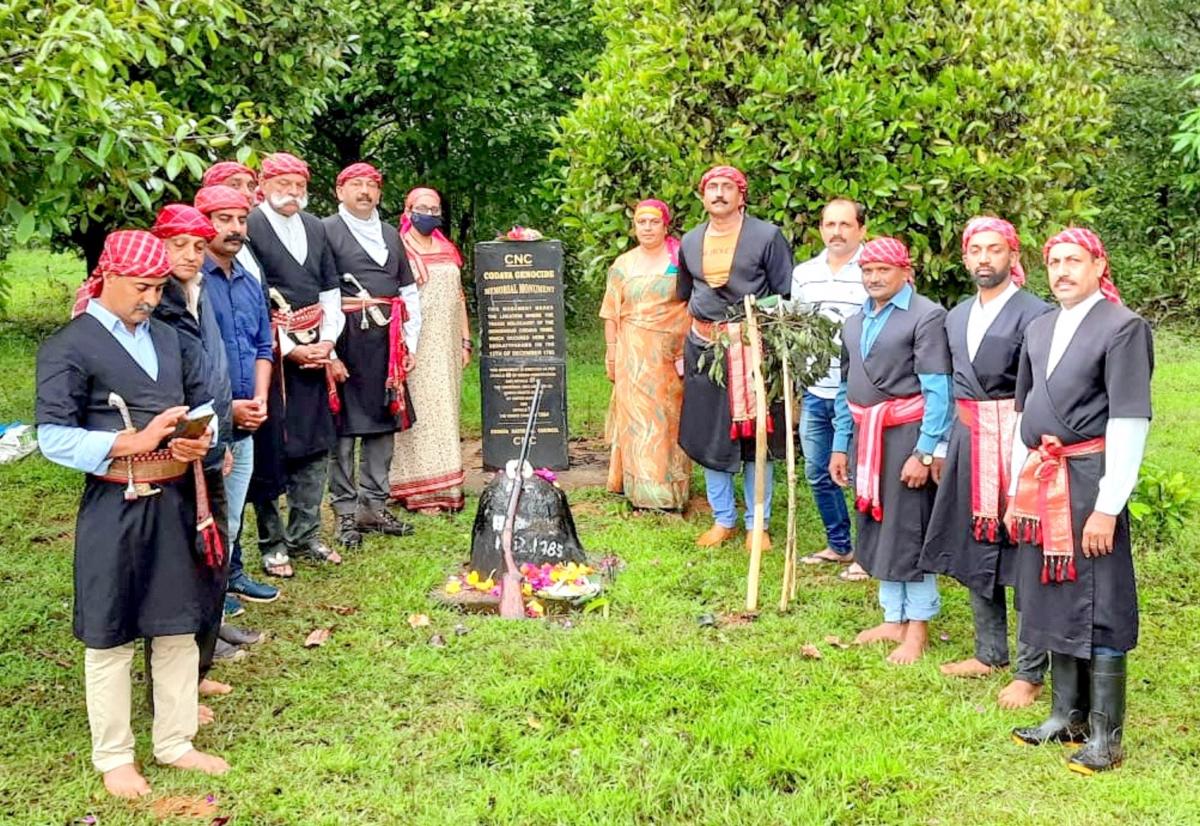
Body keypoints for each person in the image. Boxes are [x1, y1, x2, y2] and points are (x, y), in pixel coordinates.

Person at [37, 230, 229, 798]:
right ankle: (115, 755)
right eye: (141, 286)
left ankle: (176, 741)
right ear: (108, 278)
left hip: (175, 500)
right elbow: (51, 437)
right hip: (114, 504)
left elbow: (203, 407)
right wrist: (133, 441)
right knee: (111, 632)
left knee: (177, 625)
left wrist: (199, 438)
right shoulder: (70, 346)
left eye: (157, 287)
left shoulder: (170, 340)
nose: (150, 297)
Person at [1008, 228, 1153, 775]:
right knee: (1052, 589)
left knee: (1102, 599)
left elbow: (1129, 420)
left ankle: (1105, 737)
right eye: (1054, 262)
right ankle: (1064, 714)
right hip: (1044, 475)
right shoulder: (1040, 327)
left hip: (1091, 478)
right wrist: (1017, 485)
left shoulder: (1123, 328)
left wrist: (1108, 505)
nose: (1063, 270)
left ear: (1098, 265)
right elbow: (1026, 414)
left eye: (1074, 260)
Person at [919, 217, 1051, 707]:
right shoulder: (955, 316)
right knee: (977, 543)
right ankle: (988, 650)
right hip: (970, 440)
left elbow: (1043, 388)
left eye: (994, 250)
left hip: (1021, 439)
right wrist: (936, 446)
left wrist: (1034, 453)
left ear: (1013, 257)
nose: (983, 259)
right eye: (975, 250)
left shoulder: (1036, 314)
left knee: (1028, 553)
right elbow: (950, 384)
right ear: (965, 257)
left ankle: (1030, 668)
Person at [829, 237, 953, 665]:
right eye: (867, 270)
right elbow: (847, 389)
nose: (874, 278)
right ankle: (892, 617)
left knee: (910, 527)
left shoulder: (926, 316)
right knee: (877, 521)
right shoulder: (852, 322)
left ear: (905, 272)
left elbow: (938, 388)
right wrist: (841, 445)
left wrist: (924, 452)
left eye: (883, 269)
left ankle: (917, 628)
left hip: (906, 433)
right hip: (868, 436)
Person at [676, 165, 794, 550]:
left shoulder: (767, 236)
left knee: (757, 436)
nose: (720, 193)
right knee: (710, 434)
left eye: (728, 187)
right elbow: (687, 297)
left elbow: (786, 294)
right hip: (704, 348)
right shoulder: (691, 241)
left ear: (741, 196)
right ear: (702, 197)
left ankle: (756, 524)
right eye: (712, 187)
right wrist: (684, 348)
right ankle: (722, 518)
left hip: (753, 349)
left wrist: (758, 327)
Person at [246, 151, 343, 575]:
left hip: (315, 351)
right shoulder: (248, 227)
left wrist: (327, 342)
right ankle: (272, 543)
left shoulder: (316, 227)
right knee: (271, 449)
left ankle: (306, 536)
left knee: (316, 446)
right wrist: (288, 348)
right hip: (270, 357)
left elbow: (330, 290)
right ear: (263, 186)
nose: (292, 193)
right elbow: (251, 300)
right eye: (283, 184)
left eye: (299, 185)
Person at [323, 162, 420, 545]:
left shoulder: (391, 234)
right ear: (339, 190)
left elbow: (408, 292)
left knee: (384, 423)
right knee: (343, 431)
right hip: (345, 341)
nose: (364, 191)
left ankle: (374, 506)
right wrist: (328, 349)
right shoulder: (325, 231)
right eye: (356, 184)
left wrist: (408, 344)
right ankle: (345, 512)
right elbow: (320, 293)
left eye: (371, 185)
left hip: (386, 345)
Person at [194, 185, 280, 605]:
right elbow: (189, 362)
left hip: (249, 413)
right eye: (223, 219)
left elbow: (264, 345)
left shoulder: (247, 280)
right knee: (205, 506)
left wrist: (260, 400)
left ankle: (232, 573)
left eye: (241, 220)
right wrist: (228, 409)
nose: (234, 229)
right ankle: (209, 589)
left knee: (232, 507)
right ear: (202, 222)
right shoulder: (189, 285)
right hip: (209, 418)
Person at [790, 198, 868, 578]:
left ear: (861, 229)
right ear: (820, 229)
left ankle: (870, 554)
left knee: (864, 477)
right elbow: (797, 327)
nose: (837, 232)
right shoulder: (805, 274)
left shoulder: (874, 269)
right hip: (815, 390)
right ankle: (840, 545)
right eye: (829, 224)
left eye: (845, 224)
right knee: (818, 472)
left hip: (858, 394)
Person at [600, 199, 692, 510]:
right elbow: (611, 312)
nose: (648, 228)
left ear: (665, 224)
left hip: (669, 357)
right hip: (632, 358)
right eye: (642, 222)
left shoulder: (680, 258)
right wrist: (611, 353)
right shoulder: (623, 265)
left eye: (654, 221)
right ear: (635, 226)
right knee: (638, 421)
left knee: (667, 422)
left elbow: (693, 302)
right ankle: (641, 491)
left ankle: (669, 490)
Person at [389, 186, 471, 514]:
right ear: (407, 211)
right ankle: (418, 491)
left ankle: (448, 486)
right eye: (422, 207)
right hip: (416, 344)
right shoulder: (399, 247)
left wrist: (465, 339)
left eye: (435, 208)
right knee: (420, 412)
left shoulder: (446, 246)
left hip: (447, 342)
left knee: (446, 411)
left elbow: (459, 296)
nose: (429, 213)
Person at [202, 161, 264, 281]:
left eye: (251, 187)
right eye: (235, 185)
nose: (246, 193)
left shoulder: (245, 238)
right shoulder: (195, 252)